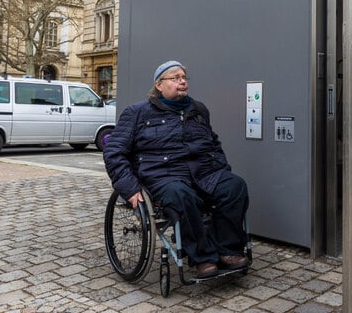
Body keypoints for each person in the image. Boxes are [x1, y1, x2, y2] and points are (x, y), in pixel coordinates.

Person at [103, 60, 250, 279]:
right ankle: (203, 257)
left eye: (184, 78)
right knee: (180, 195)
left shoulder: (199, 110)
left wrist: (221, 169)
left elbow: (214, 143)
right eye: (175, 78)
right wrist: (129, 187)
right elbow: (114, 151)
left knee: (235, 186)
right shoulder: (138, 112)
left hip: (203, 173)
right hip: (164, 175)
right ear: (159, 85)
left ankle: (226, 250)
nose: (182, 82)